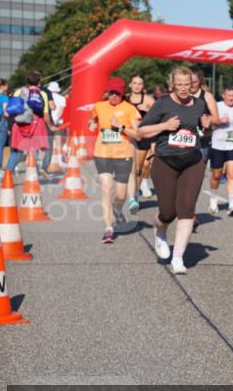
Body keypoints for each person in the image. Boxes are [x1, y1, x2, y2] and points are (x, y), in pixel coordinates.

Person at [137, 66, 211, 275]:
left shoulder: (199, 104)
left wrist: (207, 125)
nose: (184, 89)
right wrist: (164, 126)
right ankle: (160, 230)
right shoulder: (162, 104)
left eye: (187, 84)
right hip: (165, 161)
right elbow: (141, 131)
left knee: (186, 209)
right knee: (168, 212)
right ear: (172, 85)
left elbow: (204, 129)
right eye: (179, 85)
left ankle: (178, 258)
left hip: (192, 161)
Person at [88, 77, 140, 243]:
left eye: (117, 93)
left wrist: (120, 126)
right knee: (106, 188)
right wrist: (91, 124)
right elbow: (93, 118)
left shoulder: (130, 109)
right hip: (102, 153)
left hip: (122, 154)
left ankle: (117, 209)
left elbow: (137, 134)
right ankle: (108, 229)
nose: (113, 96)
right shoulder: (99, 106)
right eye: (111, 93)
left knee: (120, 195)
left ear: (123, 93)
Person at [208, 86, 233, 217]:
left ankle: (232, 205)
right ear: (223, 95)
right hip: (218, 144)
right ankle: (213, 199)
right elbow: (208, 123)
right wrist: (219, 121)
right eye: (229, 95)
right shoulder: (216, 106)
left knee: (231, 174)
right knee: (216, 175)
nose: (231, 98)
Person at [11, 70, 52, 177]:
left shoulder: (18, 92)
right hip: (36, 123)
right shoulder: (42, 93)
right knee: (35, 147)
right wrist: (50, 126)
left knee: (16, 150)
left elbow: (13, 108)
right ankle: (35, 171)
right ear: (39, 82)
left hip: (20, 123)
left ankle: (8, 173)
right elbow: (45, 112)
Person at [126, 74, 156, 213]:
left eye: (140, 84)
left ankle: (141, 185)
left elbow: (159, 116)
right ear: (130, 85)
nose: (137, 86)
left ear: (143, 86)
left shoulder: (148, 100)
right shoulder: (125, 99)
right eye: (135, 83)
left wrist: (148, 110)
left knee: (145, 165)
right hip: (130, 136)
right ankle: (134, 197)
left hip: (145, 136)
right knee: (136, 167)